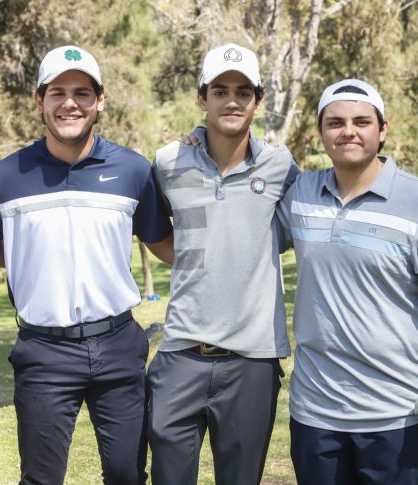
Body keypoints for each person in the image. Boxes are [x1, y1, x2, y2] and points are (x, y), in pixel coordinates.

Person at [0, 44, 174, 485]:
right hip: (44, 351)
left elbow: (162, 242)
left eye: (83, 92)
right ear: (39, 100)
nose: (70, 103)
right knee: (42, 479)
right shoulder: (5, 176)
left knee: (127, 475)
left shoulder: (132, 169)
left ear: (100, 99)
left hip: (119, 344)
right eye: (58, 92)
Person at [275, 78, 418, 484]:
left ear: (382, 130)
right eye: (335, 122)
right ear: (321, 132)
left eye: (361, 121)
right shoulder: (301, 194)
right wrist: (204, 137)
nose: (348, 131)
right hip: (315, 412)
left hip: (397, 413)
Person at [147, 42, 300, 485]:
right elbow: (159, 235)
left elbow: (291, 233)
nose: (231, 100)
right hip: (180, 355)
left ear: (257, 100)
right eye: (220, 90)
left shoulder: (279, 165)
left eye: (243, 91)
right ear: (203, 98)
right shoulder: (168, 161)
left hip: (252, 361)